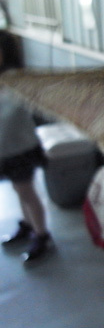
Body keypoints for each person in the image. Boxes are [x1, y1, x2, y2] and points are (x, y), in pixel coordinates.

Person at [0, 30, 52, 263]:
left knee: (26, 190)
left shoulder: (18, 80)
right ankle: (27, 224)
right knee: (17, 189)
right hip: (4, 148)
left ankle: (41, 234)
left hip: (20, 148)